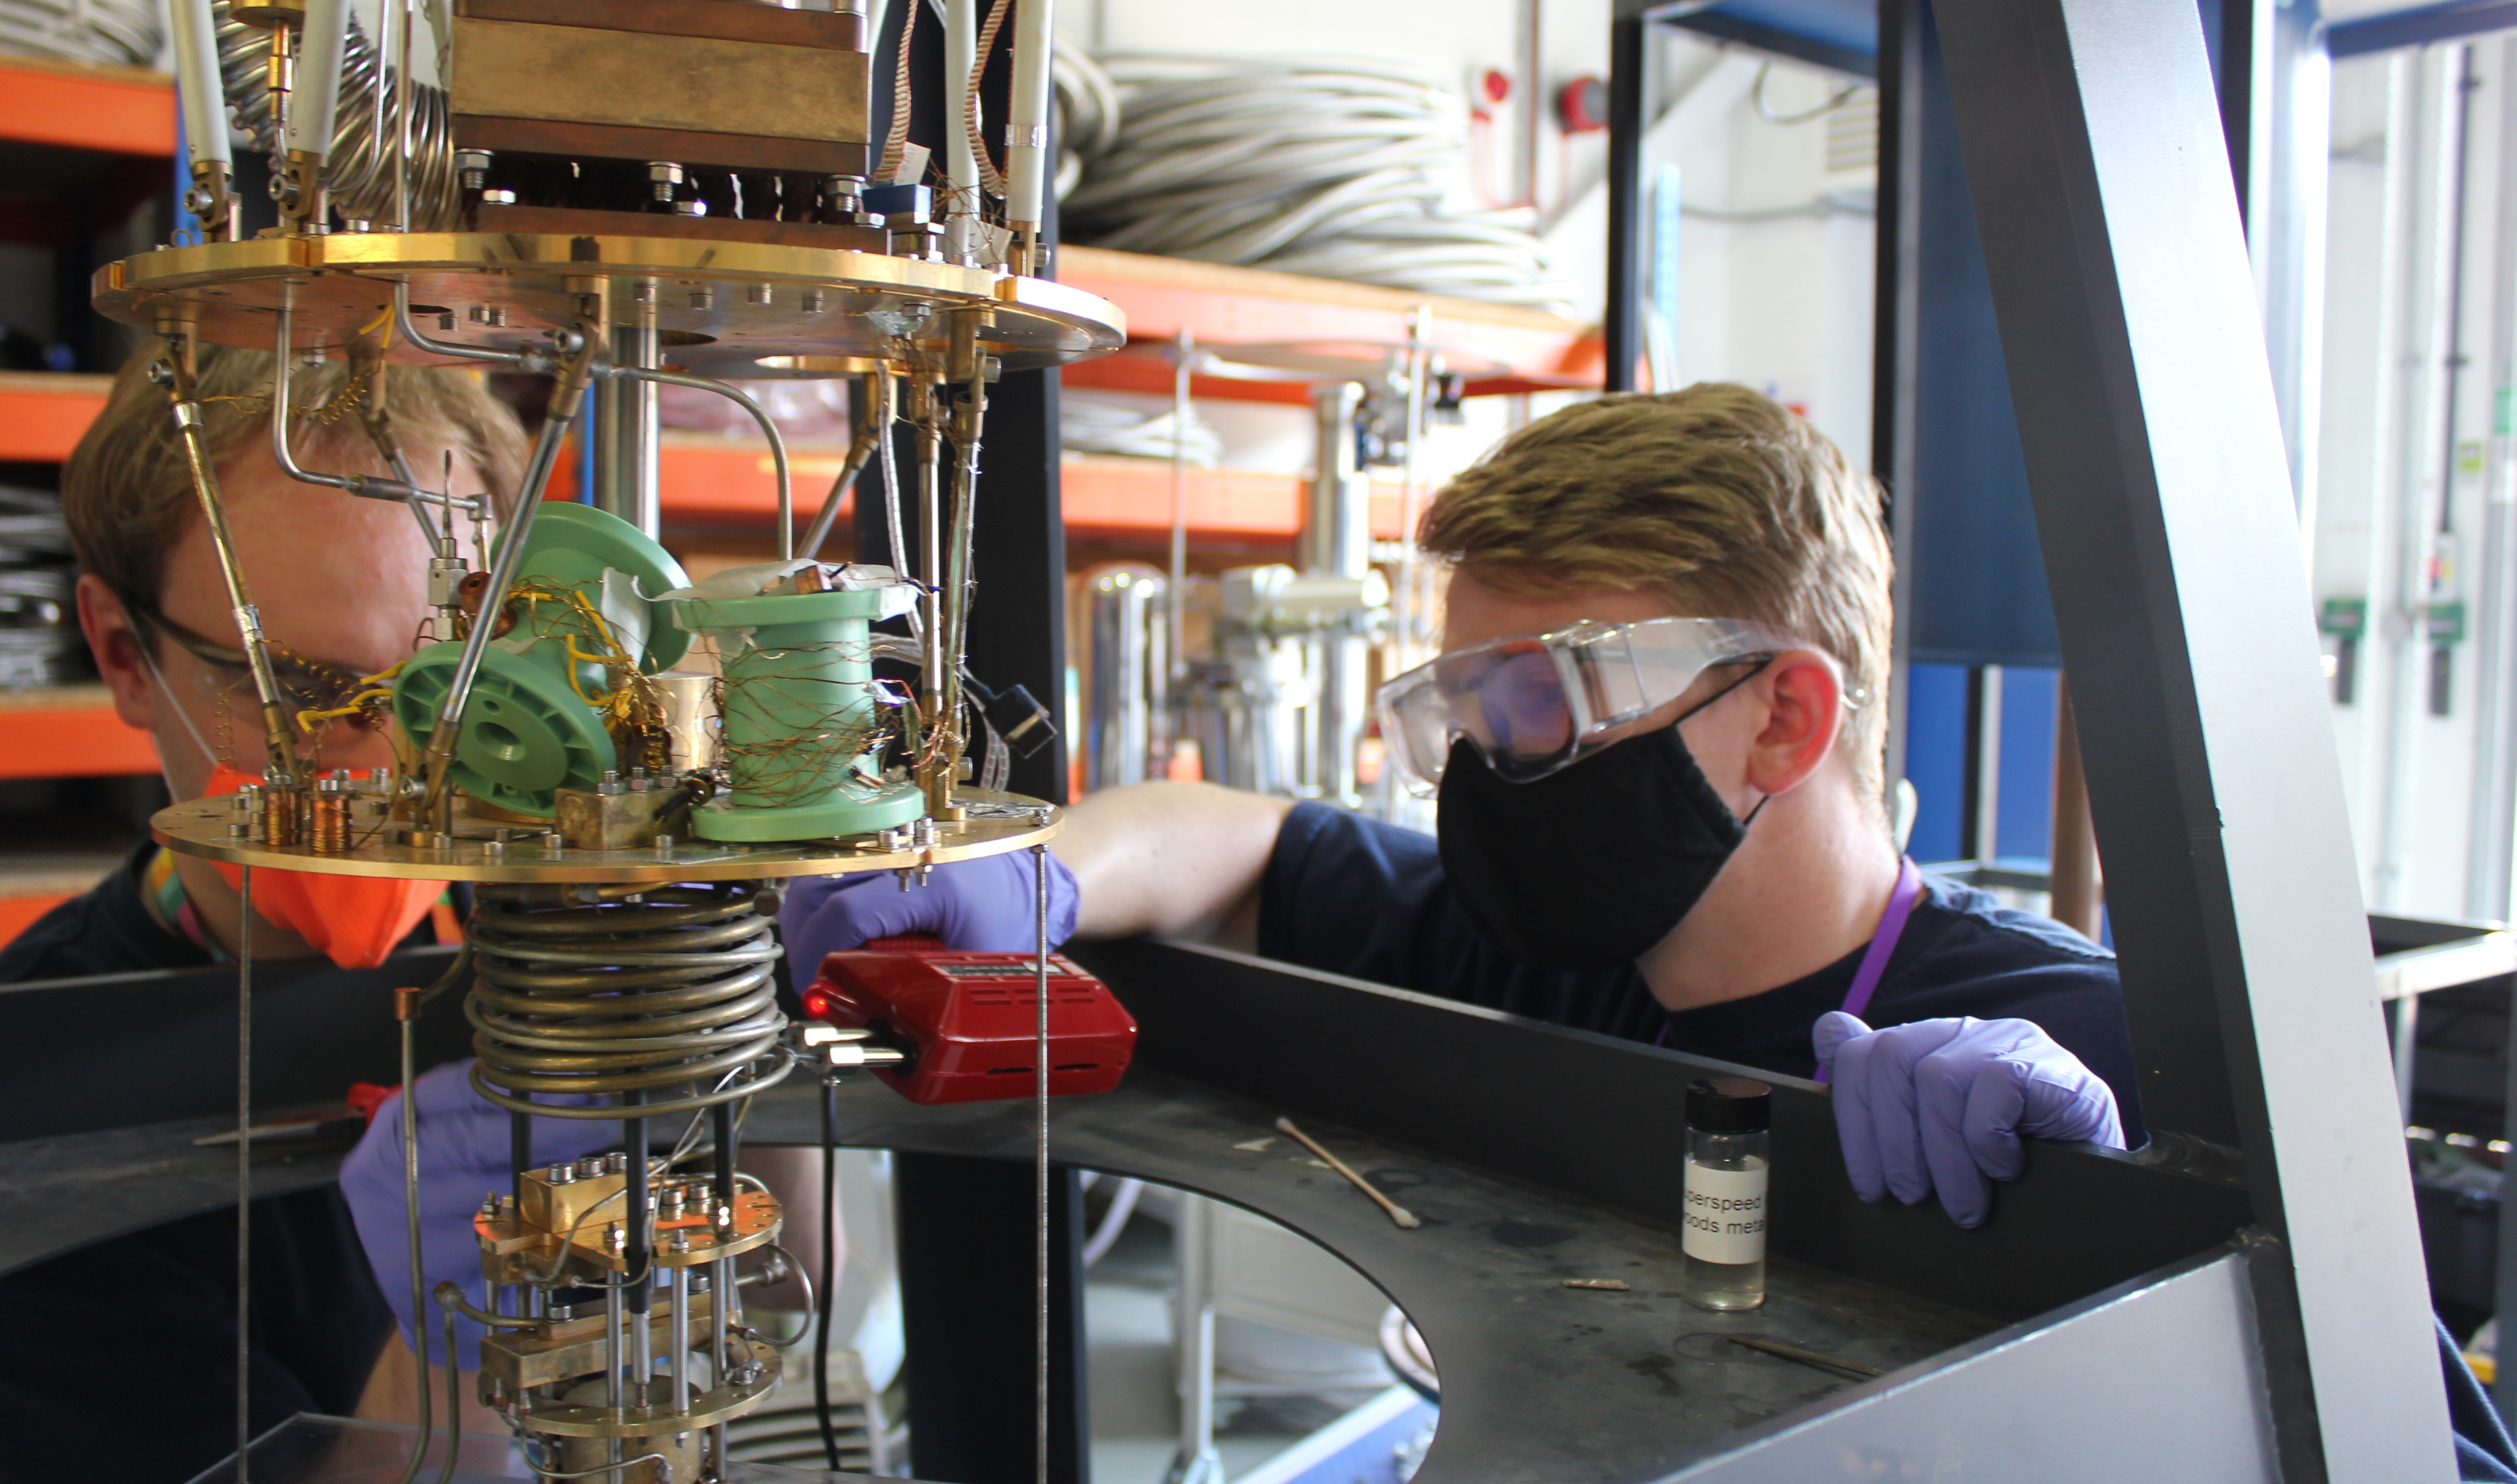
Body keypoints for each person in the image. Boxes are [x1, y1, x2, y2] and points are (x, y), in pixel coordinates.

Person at [788, 384, 2135, 1230]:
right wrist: (1036, 878)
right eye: (1467, 712)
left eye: (1542, 702)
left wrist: (2116, 1191)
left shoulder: (2077, 1042)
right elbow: (1250, 842)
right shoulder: (1554, 956)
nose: (1487, 766)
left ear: (1783, 716)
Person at [0, 343, 524, 1484]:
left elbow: (777, 1300)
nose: (372, 775)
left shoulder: (533, 936)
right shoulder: (39, 1114)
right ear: (126, 655)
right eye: (292, 691)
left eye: (435, 688)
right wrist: (459, 1351)